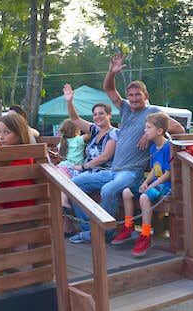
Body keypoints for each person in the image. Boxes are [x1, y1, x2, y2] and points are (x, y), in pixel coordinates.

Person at [69, 53, 184, 243]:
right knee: (74, 185)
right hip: (113, 170)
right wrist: (112, 72)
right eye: (130, 95)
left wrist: (148, 133)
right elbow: (108, 89)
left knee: (107, 191)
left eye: (138, 94)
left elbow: (178, 128)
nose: (133, 98)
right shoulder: (124, 108)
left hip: (131, 174)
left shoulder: (153, 112)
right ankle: (89, 228)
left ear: (146, 96)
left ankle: (105, 232)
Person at [113, 112, 173, 256]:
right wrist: (146, 182)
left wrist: (152, 185)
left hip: (166, 186)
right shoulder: (153, 148)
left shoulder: (168, 147)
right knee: (126, 192)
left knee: (144, 198)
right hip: (155, 183)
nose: (145, 130)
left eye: (148, 127)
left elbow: (168, 173)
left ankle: (145, 235)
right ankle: (128, 226)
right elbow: (154, 169)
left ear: (159, 131)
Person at [62, 83, 117, 172]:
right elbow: (75, 119)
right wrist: (69, 102)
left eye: (101, 113)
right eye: (95, 114)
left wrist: (83, 167)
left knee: (65, 178)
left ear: (109, 115)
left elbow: (105, 157)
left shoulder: (114, 133)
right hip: (87, 170)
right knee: (58, 172)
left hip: (100, 171)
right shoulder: (95, 129)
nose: (97, 116)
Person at [0, 110, 36, 209]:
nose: (1, 137)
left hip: (18, 205)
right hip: (8, 203)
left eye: (7, 132)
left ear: (19, 134)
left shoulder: (25, 156)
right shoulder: (2, 155)